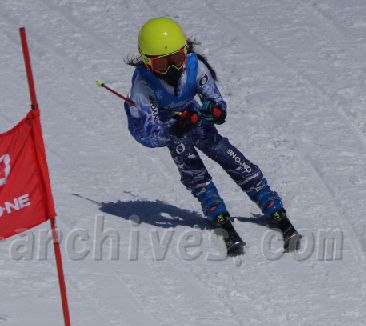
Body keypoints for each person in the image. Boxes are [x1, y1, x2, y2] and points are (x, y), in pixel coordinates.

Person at [124, 17, 300, 254]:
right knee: (189, 163)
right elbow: (146, 134)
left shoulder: (194, 66)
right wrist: (172, 130)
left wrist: (214, 111)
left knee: (225, 152)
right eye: (162, 64)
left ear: (185, 52)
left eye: (177, 59)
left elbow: (216, 101)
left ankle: (268, 201)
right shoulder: (142, 85)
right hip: (168, 125)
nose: (172, 69)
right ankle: (213, 205)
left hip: (193, 116)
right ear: (147, 62)